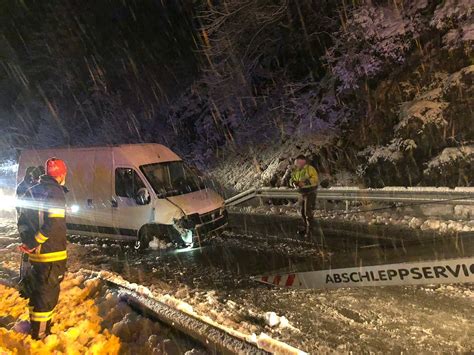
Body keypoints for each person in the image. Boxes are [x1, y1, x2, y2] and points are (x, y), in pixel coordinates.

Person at [17, 158, 68, 339]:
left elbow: (22, 219)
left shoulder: (33, 190)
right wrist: (35, 242)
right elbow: (52, 224)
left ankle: (34, 327)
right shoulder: (55, 192)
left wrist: (29, 242)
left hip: (38, 257)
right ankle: (40, 336)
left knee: (38, 292)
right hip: (51, 254)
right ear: (61, 174)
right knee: (47, 296)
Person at [290, 155, 319, 238]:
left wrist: (305, 183)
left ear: (303, 161)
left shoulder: (310, 169)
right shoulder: (296, 170)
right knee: (302, 212)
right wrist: (294, 183)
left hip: (310, 193)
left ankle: (310, 231)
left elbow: (315, 179)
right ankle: (306, 228)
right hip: (301, 193)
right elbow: (291, 179)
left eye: (297, 162)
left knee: (307, 212)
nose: (296, 164)